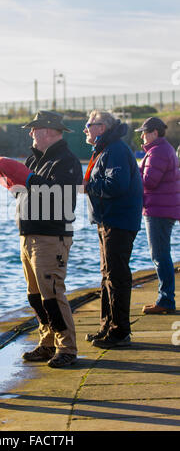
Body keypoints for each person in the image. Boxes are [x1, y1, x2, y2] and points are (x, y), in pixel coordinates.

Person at [0, 110, 83, 368]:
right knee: (35, 296)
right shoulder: (34, 160)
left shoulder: (67, 161)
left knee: (52, 294)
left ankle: (67, 348)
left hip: (51, 237)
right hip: (29, 235)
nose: (31, 133)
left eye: (34, 129)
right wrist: (12, 183)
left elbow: (62, 199)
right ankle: (47, 343)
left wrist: (29, 179)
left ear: (48, 131)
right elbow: (28, 194)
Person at [83, 110, 143, 348]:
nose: (85, 129)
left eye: (89, 124)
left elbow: (116, 185)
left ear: (102, 127)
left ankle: (120, 332)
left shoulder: (115, 149)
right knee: (108, 275)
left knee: (116, 276)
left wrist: (88, 185)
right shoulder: (107, 148)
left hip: (118, 221)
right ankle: (107, 326)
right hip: (109, 221)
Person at [136, 117, 180, 314]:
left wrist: (132, 172)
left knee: (160, 255)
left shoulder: (158, 152)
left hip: (158, 210)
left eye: (144, 133)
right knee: (162, 254)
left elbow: (150, 182)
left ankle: (165, 300)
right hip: (162, 208)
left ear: (154, 132)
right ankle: (166, 298)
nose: (142, 137)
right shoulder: (162, 150)